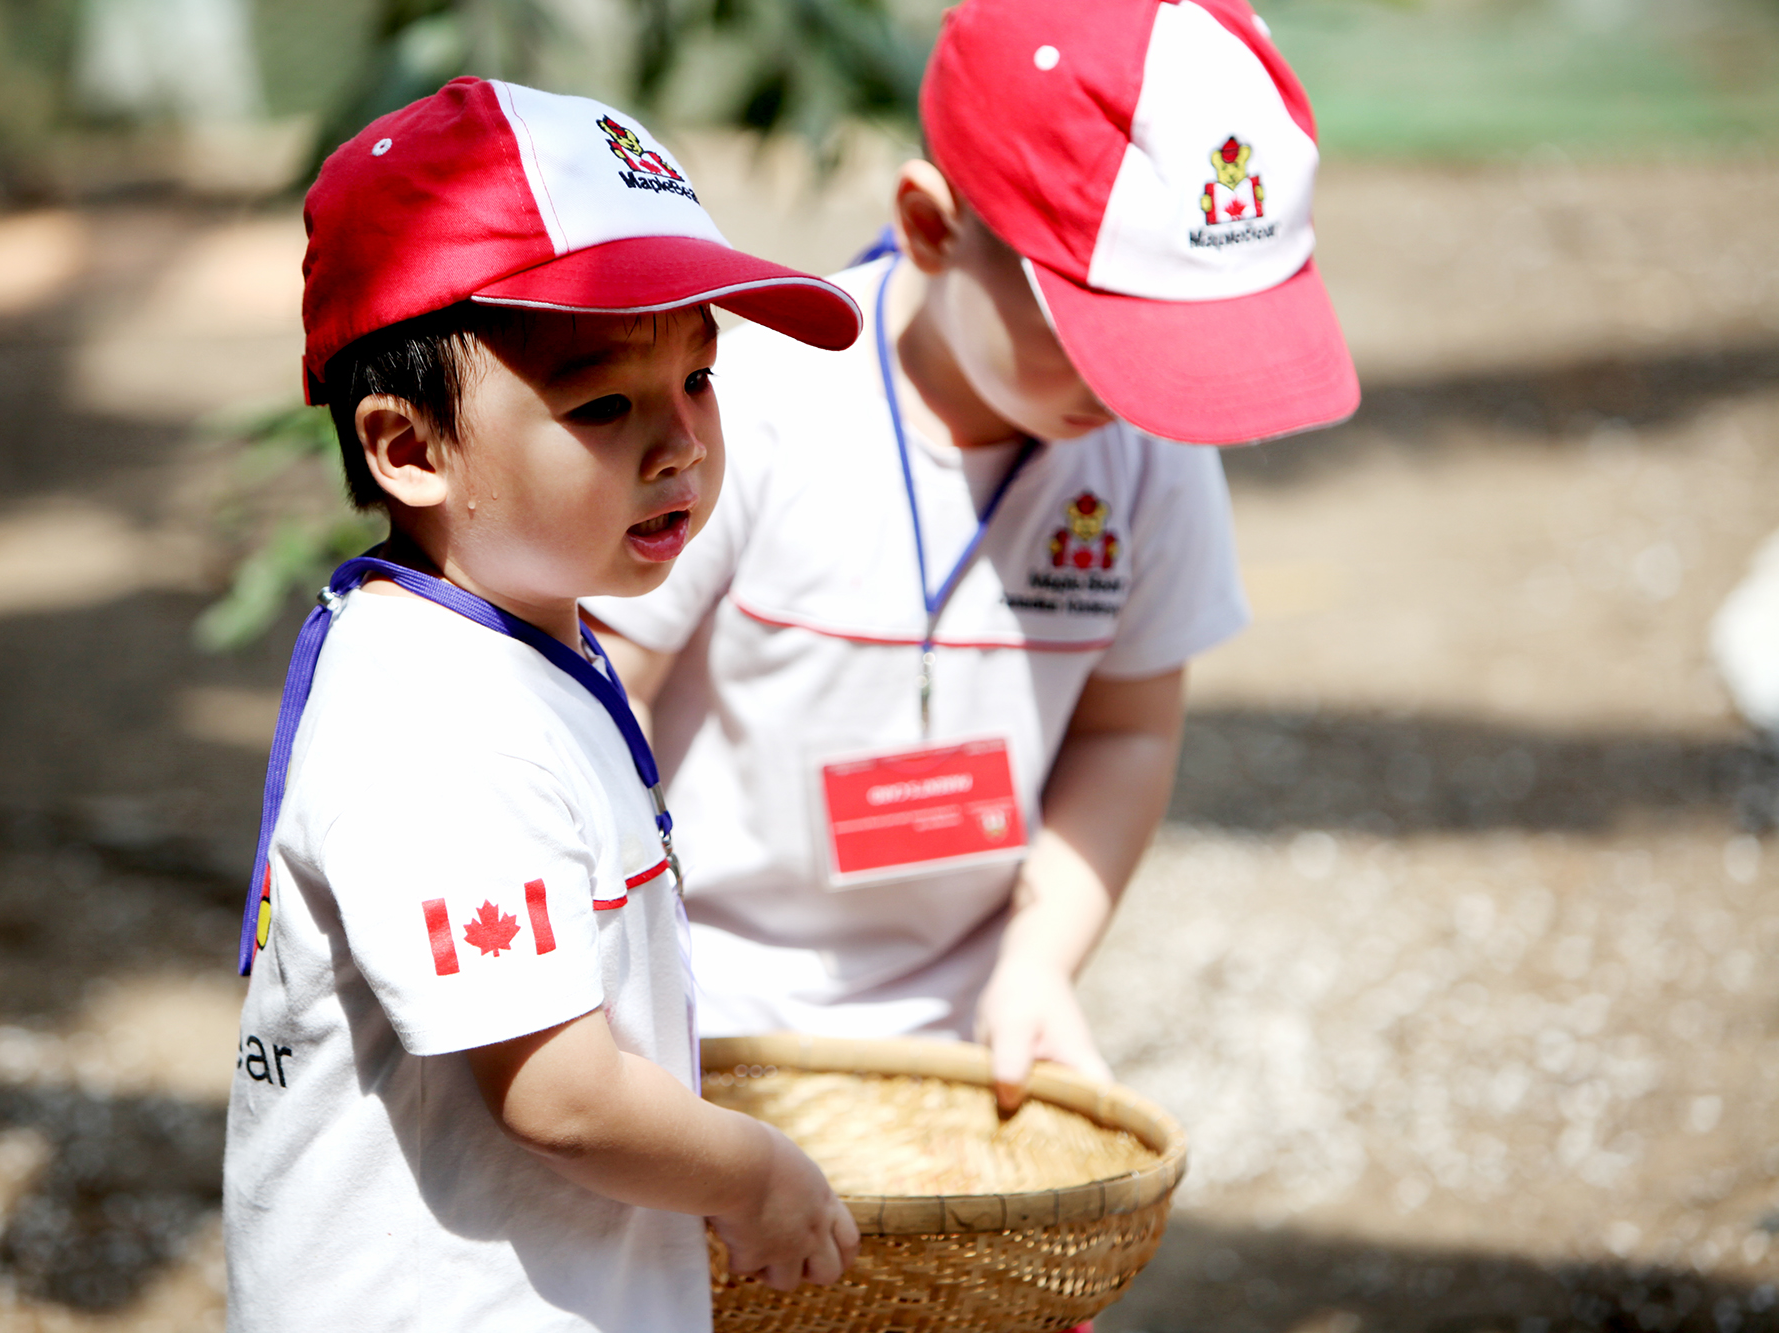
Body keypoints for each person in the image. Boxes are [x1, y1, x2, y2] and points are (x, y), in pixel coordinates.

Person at [585, 0, 1362, 1112]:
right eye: (1102, 333)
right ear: (930, 226)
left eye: (1182, 344)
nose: (1132, 387)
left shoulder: (1148, 451)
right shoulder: (748, 416)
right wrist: (615, 982)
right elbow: (606, 696)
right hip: (705, 1011)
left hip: (964, 1033)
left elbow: (1127, 730)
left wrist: (1039, 964)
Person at [222, 78, 865, 1332]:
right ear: (409, 448)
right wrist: (755, 1175)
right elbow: (563, 1099)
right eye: (603, 404)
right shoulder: (435, 722)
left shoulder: (521, 635)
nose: (679, 444)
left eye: (699, 376)